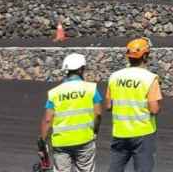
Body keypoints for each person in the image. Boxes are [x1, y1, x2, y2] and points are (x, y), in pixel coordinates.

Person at [106, 37, 162, 172]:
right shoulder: (149, 78)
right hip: (143, 132)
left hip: (120, 131)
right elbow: (154, 109)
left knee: (115, 168)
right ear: (145, 56)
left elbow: (108, 106)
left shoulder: (114, 77)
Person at [40, 53, 102, 172]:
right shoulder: (91, 89)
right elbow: (98, 114)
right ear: (80, 70)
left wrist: (42, 142)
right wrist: (95, 132)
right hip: (84, 139)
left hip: (61, 142)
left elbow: (48, 120)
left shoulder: (54, 93)